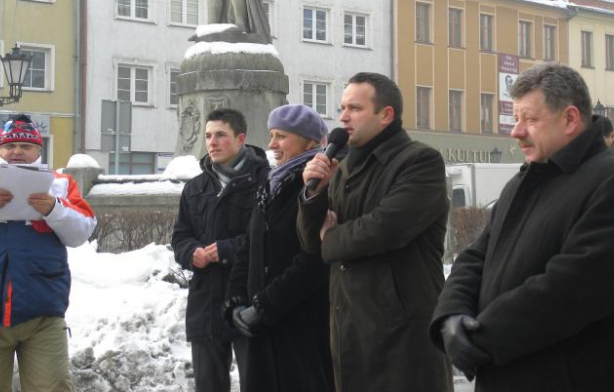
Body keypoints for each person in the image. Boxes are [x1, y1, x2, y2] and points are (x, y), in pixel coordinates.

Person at [431, 64, 614, 392]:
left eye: (530, 119)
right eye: (515, 119)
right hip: (506, 373)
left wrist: (479, 338)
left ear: (569, 119)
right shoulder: (524, 180)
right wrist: (451, 315)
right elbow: (476, 257)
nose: (516, 131)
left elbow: (571, 289)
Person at [298, 72, 452, 392]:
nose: (342, 117)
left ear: (386, 115)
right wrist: (312, 196)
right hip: (350, 325)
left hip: (401, 332)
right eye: (342, 108)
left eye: (354, 108)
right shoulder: (344, 170)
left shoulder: (420, 161)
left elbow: (384, 228)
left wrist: (332, 239)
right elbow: (310, 241)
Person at [0, 114, 96, 392]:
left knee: (54, 387)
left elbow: (82, 231)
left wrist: (53, 209)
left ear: (38, 150)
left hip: (43, 315)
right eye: (10, 146)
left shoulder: (59, 183)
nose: (17, 152)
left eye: (26, 146)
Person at [225, 104, 333, 392]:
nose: (271, 144)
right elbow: (250, 245)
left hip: (303, 327)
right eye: (272, 135)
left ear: (309, 141)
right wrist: (236, 299)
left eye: (281, 136)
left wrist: (264, 306)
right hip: (264, 327)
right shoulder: (271, 183)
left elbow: (314, 259)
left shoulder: (319, 183)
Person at [171, 108, 269, 392]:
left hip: (248, 300)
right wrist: (191, 253)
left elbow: (269, 237)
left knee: (258, 381)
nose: (212, 142)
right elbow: (180, 236)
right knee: (208, 385)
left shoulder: (264, 182)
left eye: (220, 135)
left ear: (241, 139)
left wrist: (226, 250)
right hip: (206, 303)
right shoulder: (195, 188)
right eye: (208, 136)